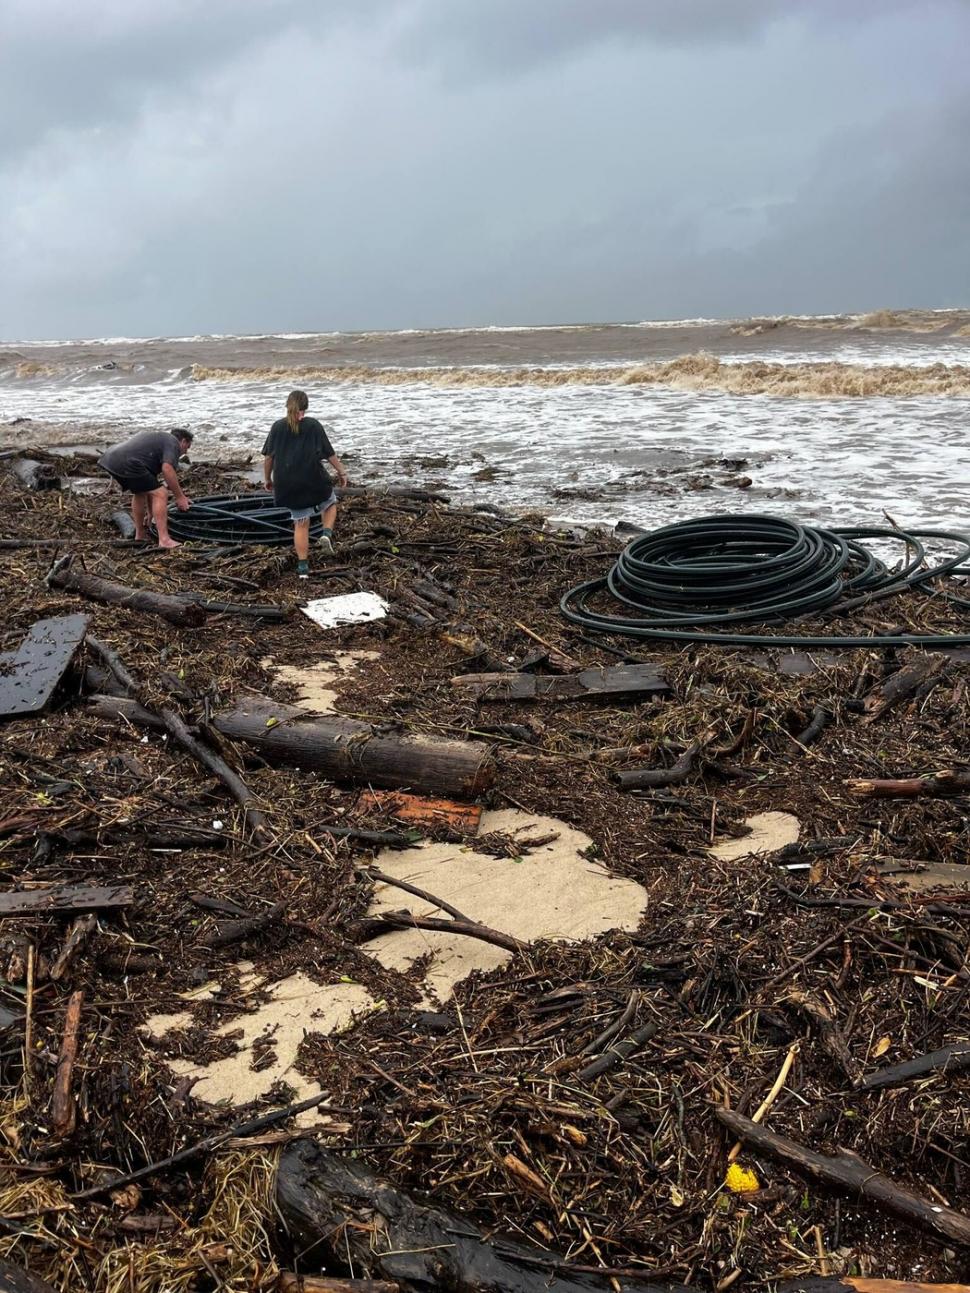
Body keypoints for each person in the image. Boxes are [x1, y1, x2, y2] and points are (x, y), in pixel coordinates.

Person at [262, 390, 349, 577]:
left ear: (287, 406)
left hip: (287, 482)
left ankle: (303, 569)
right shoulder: (313, 425)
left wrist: (268, 479)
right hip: (312, 478)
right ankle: (326, 534)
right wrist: (341, 471)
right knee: (330, 502)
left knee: (301, 523)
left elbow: (269, 457)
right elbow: (329, 453)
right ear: (305, 407)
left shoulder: (277, 427)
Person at [98, 427, 193, 549]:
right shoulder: (173, 442)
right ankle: (164, 540)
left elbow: (149, 487)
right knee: (161, 493)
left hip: (111, 457)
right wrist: (180, 497)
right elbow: (167, 469)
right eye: (187, 448)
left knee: (140, 492)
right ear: (183, 441)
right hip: (128, 461)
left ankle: (140, 535)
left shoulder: (159, 442)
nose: (185, 453)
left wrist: (151, 513)